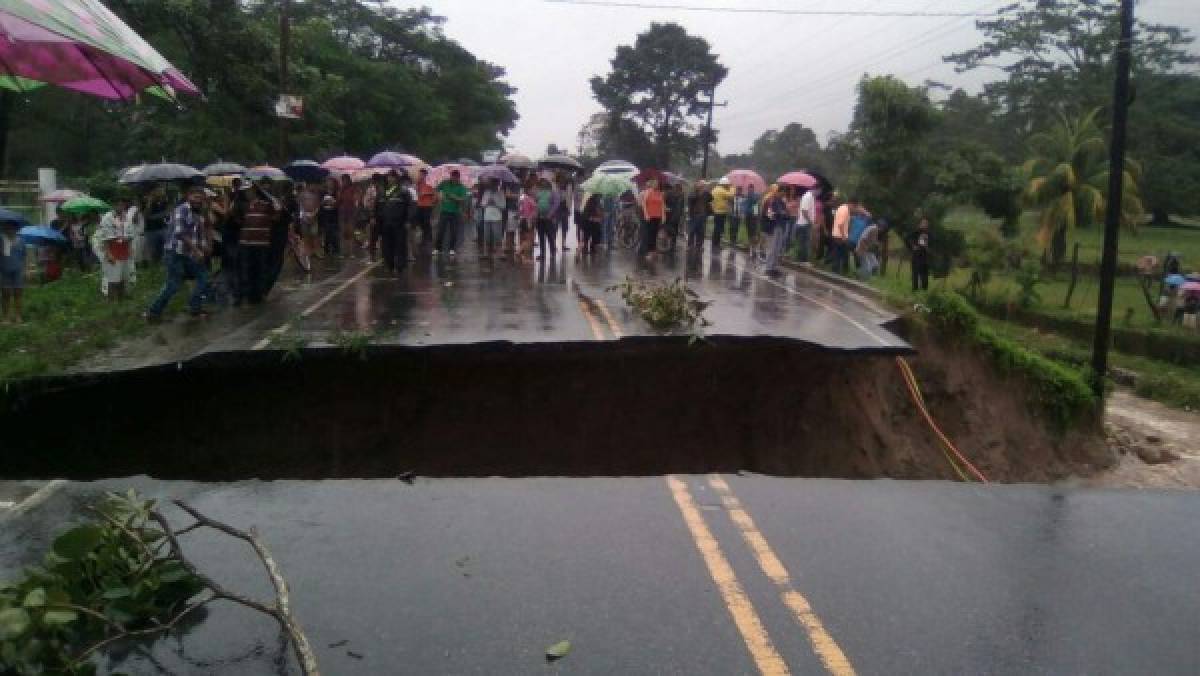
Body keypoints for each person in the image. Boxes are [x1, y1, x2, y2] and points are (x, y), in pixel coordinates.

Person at [144, 185, 213, 320]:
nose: (198, 200)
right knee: (174, 285)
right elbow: (180, 233)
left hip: (188, 253)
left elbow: (199, 234)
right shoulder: (181, 210)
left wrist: (206, 247)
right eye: (195, 197)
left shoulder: (198, 213)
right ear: (188, 197)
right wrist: (196, 250)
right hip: (175, 252)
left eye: (201, 197)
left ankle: (194, 307)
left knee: (203, 278)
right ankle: (153, 312)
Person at [231, 182, 279, 305]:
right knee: (246, 270)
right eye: (245, 191)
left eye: (250, 190)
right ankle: (245, 295)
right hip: (245, 243)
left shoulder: (267, 204)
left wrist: (275, 205)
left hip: (261, 243)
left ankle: (259, 294)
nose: (248, 193)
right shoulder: (241, 205)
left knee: (260, 269)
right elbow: (236, 220)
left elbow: (276, 217)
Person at [92, 196, 137, 300]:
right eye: (118, 204)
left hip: (124, 249)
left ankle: (121, 299)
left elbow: (130, 235)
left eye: (122, 204)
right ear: (113, 205)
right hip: (112, 249)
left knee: (124, 276)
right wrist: (108, 254)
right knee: (113, 278)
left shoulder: (127, 217)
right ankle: (112, 300)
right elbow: (105, 238)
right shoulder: (107, 217)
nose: (120, 206)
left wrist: (130, 248)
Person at [377, 170, 415, 272]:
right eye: (389, 177)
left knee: (400, 245)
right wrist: (375, 218)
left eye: (392, 177)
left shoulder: (403, 191)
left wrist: (408, 220)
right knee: (387, 245)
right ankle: (389, 265)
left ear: (396, 178)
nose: (390, 179)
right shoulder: (382, 191)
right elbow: (378, 206)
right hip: (386, 223)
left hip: (399, 223)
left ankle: (400, 266)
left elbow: (410, 206)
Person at [434, 170, 469, 257]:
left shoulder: (462, 187)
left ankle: (452, 249)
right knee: (440, 231)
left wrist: (454, 197)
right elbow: (436, 189)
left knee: (453, 231)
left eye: (455, 177)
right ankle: (437, 248)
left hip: (455, 212)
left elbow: (463, 199)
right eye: (452, 177)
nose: (453, 179)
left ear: (458, 178)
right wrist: (439, 197)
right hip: (444, 211)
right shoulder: (445, 183)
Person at [0, 220, 25, 323]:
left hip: (18, 270)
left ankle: (18, 316)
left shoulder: (21, 240)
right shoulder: (1, 239)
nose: (10, 229)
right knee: (5, 294)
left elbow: (24, 256)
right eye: (7, 227)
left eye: (12, 227)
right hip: (4, 269)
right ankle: (6, 317)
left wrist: (26, 269)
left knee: (18, 293)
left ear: (16, 229)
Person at [762, 187, 789, 275]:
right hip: (771, 227)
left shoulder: (781, 202)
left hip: (780, 226)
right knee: (771, 248)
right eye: (782, 192)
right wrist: (779, 213)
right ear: (778, 192)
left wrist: (783, 214)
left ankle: (774, 267)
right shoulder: (770, 201)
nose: (783, 195)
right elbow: (769, 215)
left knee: (777, 248)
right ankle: (768, 268)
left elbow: (786, 214)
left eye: (784, 193)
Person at [479, 178, 505, 261]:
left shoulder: (500, 193)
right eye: (492, 183)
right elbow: (482, 204)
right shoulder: (486, 192)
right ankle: (486, 253)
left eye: (495, 183)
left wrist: (495, 203)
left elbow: (503, 206)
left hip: (497, 217)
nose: (493, 185)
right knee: (487, 236)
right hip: (487, 217)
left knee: (497, 236)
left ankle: (500, 253)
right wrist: (487, 203)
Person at [534, 178, 559, 261]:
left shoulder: (553, 193)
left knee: (550, 236)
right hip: (540, 218)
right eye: (542, 183)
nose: (543, 184)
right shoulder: (538, 193)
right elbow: (535, 202)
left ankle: (552, 252)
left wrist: (550, 214)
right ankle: (542, 254)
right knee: (541, 236)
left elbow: (556, 204)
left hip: (549, 218)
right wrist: (536, 213)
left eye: (544, 182)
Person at [640, 179, 665, 260]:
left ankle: (653, 250)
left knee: (655, 234)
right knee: (649, 234)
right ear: (652, 184)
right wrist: (646, 214)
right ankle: (648, 252)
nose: (656, 185)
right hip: (650, 216)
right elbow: (644, 203)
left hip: (658, 216)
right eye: (655, 184)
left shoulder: (659, 193)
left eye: (657, 184)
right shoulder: (648, 192)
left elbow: (662, 204)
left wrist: (663, 215)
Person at [830, 195, 855, 275]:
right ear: (851, 203)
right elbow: (840, 224)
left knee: (837, 253)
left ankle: (836, 270)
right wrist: (844, 236)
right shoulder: (845, 210)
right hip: (840, 236)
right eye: (853, 206)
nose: (853, 208)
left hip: (836, 234)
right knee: (842, 254)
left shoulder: (841, 207)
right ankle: (839, 271)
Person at [336, 173, 357, 258]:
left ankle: (351, 252)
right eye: (342, 180)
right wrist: (340, 194)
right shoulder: (340, 190)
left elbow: (355, 200)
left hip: (350, 213)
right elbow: (338, 202)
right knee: (342, 233)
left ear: (348, 180)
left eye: (345, 180)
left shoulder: (353, 189)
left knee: (350, 233)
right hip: (342, 213)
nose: (343, 182)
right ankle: (342, 252)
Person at [415, 167, 436, 251]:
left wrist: (426, 193)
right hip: (419, 205)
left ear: (425, 174)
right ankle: (425, 236)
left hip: (427, 205)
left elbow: (434, 193)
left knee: (426, 221)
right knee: (420, 222)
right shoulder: (418, 183)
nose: (420, 175)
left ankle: (428, 238)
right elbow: (417, 192)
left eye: (422, 174)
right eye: (420, 174)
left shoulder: (430, 182)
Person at [709, 177, 734, 250]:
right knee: (719, 229)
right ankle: (716, 244)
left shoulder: (715, 189)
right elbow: (731, 196)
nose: (728, 186)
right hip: (721, 212)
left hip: (715, 211)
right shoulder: (722, 190)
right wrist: (732, 188)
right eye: (727, 184)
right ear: (724, 184)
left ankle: (715, 243)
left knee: (716, 228)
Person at [793, 187, 816, 263]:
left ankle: (801, 259)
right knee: (804, 243)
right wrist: (811, 222)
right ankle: (803, 260)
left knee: (803, 242)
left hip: (804, 223)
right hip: (804, 224)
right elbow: (804, 211)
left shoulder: (811, 197)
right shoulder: (808, 196)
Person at [686, 182, 711, 252]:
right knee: (692, 231)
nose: (702, 187)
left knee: (701, 231)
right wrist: (699, 193)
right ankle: (690, 245)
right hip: (694, 215)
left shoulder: (706, 193)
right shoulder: (693, 193)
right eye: (700, 186)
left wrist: (707, 189)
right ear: (696, 187)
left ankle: (699, 245)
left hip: (702, 215)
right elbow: (691, 199)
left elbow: (711, 198)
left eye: (703, 186)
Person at [908, 217, 931, 291]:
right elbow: (908, 238)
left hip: (925, 255)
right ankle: (915, 289)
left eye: (926, 223)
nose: (924, 225)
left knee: (924, 273)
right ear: (920, 224)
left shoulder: (929, 233)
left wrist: (929, 248)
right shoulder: (916, 232)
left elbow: (933, 243)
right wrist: (913, 246)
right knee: (915, 272)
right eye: (923, 223)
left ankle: (924, 290)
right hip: (916, 255)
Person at [518, 185, 537, 263]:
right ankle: (519, 251)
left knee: (524, 239)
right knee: (528, 239)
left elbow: (520, 210)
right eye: (533, 189)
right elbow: (528, 212)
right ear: (528, 190)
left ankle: (524, 258)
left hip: (523, 219)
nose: (535, 191)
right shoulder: (528, 199)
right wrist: (529, 220)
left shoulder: (522, 198)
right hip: (528, 220)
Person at [580, 192, 603, 256]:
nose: (600, 197)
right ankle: (586, 249)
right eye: (599, 196)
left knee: (594, 235)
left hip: (593, 222)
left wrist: (600, 216)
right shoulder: (591, 202)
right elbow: (586, 214)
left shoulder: (598, 202)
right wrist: (593, 218)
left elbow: (599, 212)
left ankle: (591, 248)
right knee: (587, 236)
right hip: (588, 222)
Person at [665, 182, 685, 251]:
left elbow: (682, 206)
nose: (680, 189)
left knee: (674, 230)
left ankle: (672, 244)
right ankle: (669, 243)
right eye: (679, 187)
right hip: (670, 215)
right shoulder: (669, 194)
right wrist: (666, 208)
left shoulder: (681, 195)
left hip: (676, 215)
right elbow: (664, 202)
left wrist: (682, 213)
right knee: (671, 229)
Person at [742, 185, 759, 255]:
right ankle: (750, 247)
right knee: (749, 232)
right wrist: (743, 213)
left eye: (751, 189)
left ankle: (754, 248)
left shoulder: (755, 196)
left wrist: (756, 214)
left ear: (753, 189)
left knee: (753, 232)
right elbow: (744, 205)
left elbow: (755, 204)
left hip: (753, 217)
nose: (750, 190)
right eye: (749, 189)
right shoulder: (746, 196)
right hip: (747, 216)